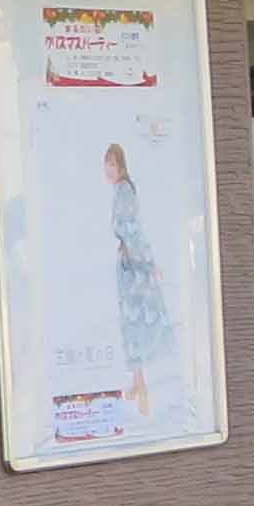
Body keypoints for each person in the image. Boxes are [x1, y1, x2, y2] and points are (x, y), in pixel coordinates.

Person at [106, 142, 177, 418]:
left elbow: (131, 228)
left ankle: (143, 387)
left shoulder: (124, 190)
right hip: (128, 265)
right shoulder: (120, 189)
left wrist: (148, 264)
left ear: (120, 164)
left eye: (112, 163)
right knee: (129, 323)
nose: (108, 168)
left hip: (133, 267)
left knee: (133, 323)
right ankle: (138, 382)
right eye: (107, 163)